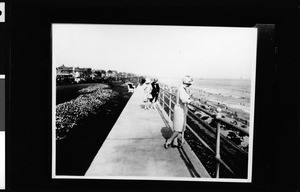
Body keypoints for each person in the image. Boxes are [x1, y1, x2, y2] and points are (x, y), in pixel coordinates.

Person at [164, 75, 194, 149]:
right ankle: (169, 141)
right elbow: (184, 99)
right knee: (179, 128)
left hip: (179, 108)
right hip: (180, 109)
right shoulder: (182, 89)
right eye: (189, 84)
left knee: (179, 126)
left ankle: (175, 142)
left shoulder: (181, 88)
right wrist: (192, 101)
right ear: (188, 84)